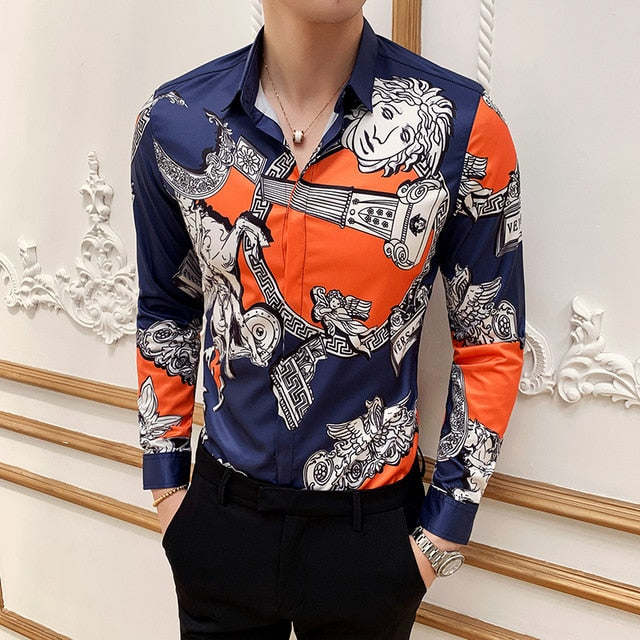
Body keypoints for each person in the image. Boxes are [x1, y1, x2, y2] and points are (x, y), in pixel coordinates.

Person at [131, 1, 525, 638]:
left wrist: (439, 541)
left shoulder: (466, 126)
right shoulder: (174, 121)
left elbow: (489, 340)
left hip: (371, 539)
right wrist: (168, 490)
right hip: (219, 522)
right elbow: (166, 307)